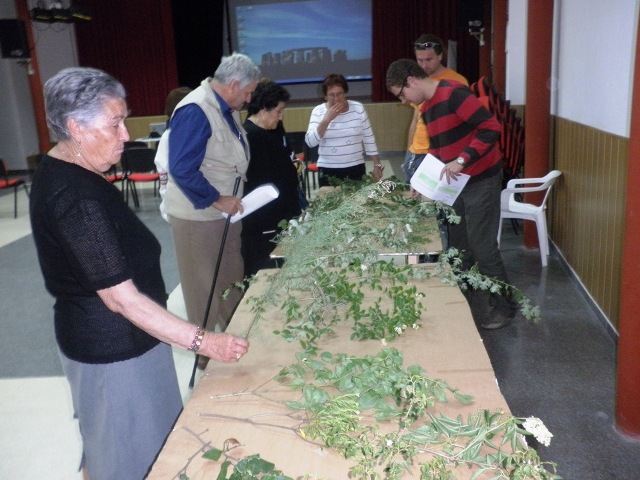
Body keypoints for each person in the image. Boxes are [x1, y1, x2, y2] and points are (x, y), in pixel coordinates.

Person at [29, 67, 250, 480]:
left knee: (119, 444)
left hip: (127, 339)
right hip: (114, 349)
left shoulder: (70, 170)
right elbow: (120, 298)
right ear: (76, 127)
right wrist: (205, 341)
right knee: (127, 457)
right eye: (114, 123)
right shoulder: (74, 197)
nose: (126, 135)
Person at [386, 59, 517, 330]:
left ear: (411, 81)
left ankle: (505, 306)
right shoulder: (427, 108)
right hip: (455, 183)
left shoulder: (454, 93)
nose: (403, 101)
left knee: (483, 246)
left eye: (401, 94)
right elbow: (438, 149)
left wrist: (462, 158)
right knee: (459, 244)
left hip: (481, 178)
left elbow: (491, 128)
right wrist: (421, 181)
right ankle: (466, 291)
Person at [165, 53, 261, 334]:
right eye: (248, 92)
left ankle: (236, 339)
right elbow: (182, 168)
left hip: (224, 214)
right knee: (203, 291)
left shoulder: (225, 108)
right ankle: (206, 360)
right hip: (199, 217)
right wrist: (218, 199)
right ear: (233, 84)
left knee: (231, 281)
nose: (248, 100)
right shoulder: (195, 109)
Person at [241, 80, 304, 277]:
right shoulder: (253, 137)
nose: (281, 116)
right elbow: (261, 187)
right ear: (263, 109)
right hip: (265, 228)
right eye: (278, 111)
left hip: (274, 224)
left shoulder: (264, 134)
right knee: (266, 277)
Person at [403, 34, 469, 181]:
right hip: (417, 152)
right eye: (419, 60)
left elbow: (466, 123)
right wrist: (409, 150)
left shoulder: (457, 81)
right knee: (418, 201)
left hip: (443, 153)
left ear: (440, 56)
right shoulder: (418, 80)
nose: (423, 65)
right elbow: (415, 118)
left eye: (428, 60)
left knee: (439, 201)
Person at [305, 73, 384, 187]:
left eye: (339, 94)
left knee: (356, 203)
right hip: (328, 168)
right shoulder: (318, 111)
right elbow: (310, 142)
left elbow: (368, 138)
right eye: (331, 95)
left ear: (345, 93)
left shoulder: (358, 108)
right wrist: (327, 119)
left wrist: (377, 165)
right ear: (325, 96)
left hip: (355, 167)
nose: (336, 99)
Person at [156, 86, 193, 221]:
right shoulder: (169, 137)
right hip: (181, 210)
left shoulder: (198, 134)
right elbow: (164, 179)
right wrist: (168, 210)